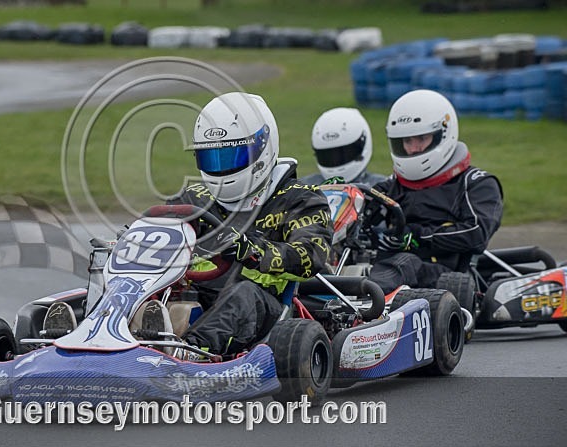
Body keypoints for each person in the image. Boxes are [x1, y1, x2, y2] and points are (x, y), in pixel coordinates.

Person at [161, 91, 333, 357]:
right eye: (211, 158)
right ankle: (101, 336)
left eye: (231, 157)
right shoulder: (194, 199)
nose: (220, 169)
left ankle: (191, 353)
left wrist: (252, 250)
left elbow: (311, 255)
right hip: (195, 297)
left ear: (262, 148)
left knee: (244, 293)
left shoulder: (299, 199)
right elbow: (155, 229)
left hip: (263, 309)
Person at [367, 89, 504, 294]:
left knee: (404, 263)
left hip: (444, 273)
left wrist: (418, 237)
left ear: (444, 133)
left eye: (421, 139)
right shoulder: (392, 185)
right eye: (406, 141)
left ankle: (362, 304)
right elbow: (365, 207)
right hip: (388, 268)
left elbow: (476, 233)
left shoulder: (476, 183)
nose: (413, 149)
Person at [301, 107, 386, 186]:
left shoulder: (383, 188)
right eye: (327, 156)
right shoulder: (303, 188)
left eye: (344, 153)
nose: (334, 159)